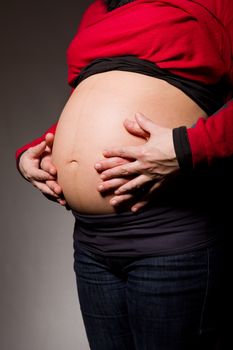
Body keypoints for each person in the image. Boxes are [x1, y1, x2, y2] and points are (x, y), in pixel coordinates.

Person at [16, 0, 232, 349]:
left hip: (170, 236)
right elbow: (91, 100)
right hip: (91, 245)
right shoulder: (99, 10)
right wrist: (36, 152)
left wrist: (186, 146)